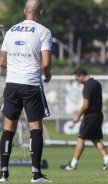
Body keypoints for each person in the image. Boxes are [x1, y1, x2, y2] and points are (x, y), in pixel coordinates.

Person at [0, 0, 52, 182]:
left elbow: (1, 61)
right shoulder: (43, 31)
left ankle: (4, 173)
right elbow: (45, 63)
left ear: (24, 11)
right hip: (30, 84)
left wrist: (16, 65)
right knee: (35, 127)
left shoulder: (11, 31)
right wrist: (48, 74)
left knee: (8, 128)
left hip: (12, 84)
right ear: (41, 13)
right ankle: (36, 174)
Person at [60, 67, 108, 171]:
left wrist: (78, 116)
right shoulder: (97, 83)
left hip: (90, 116)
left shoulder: (87, 86)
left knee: (81, 138)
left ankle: (73, 165)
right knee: (95, 139)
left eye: (77, 79)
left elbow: (85, 105)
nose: (78, 81)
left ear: (81, 75)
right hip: (98, 115)